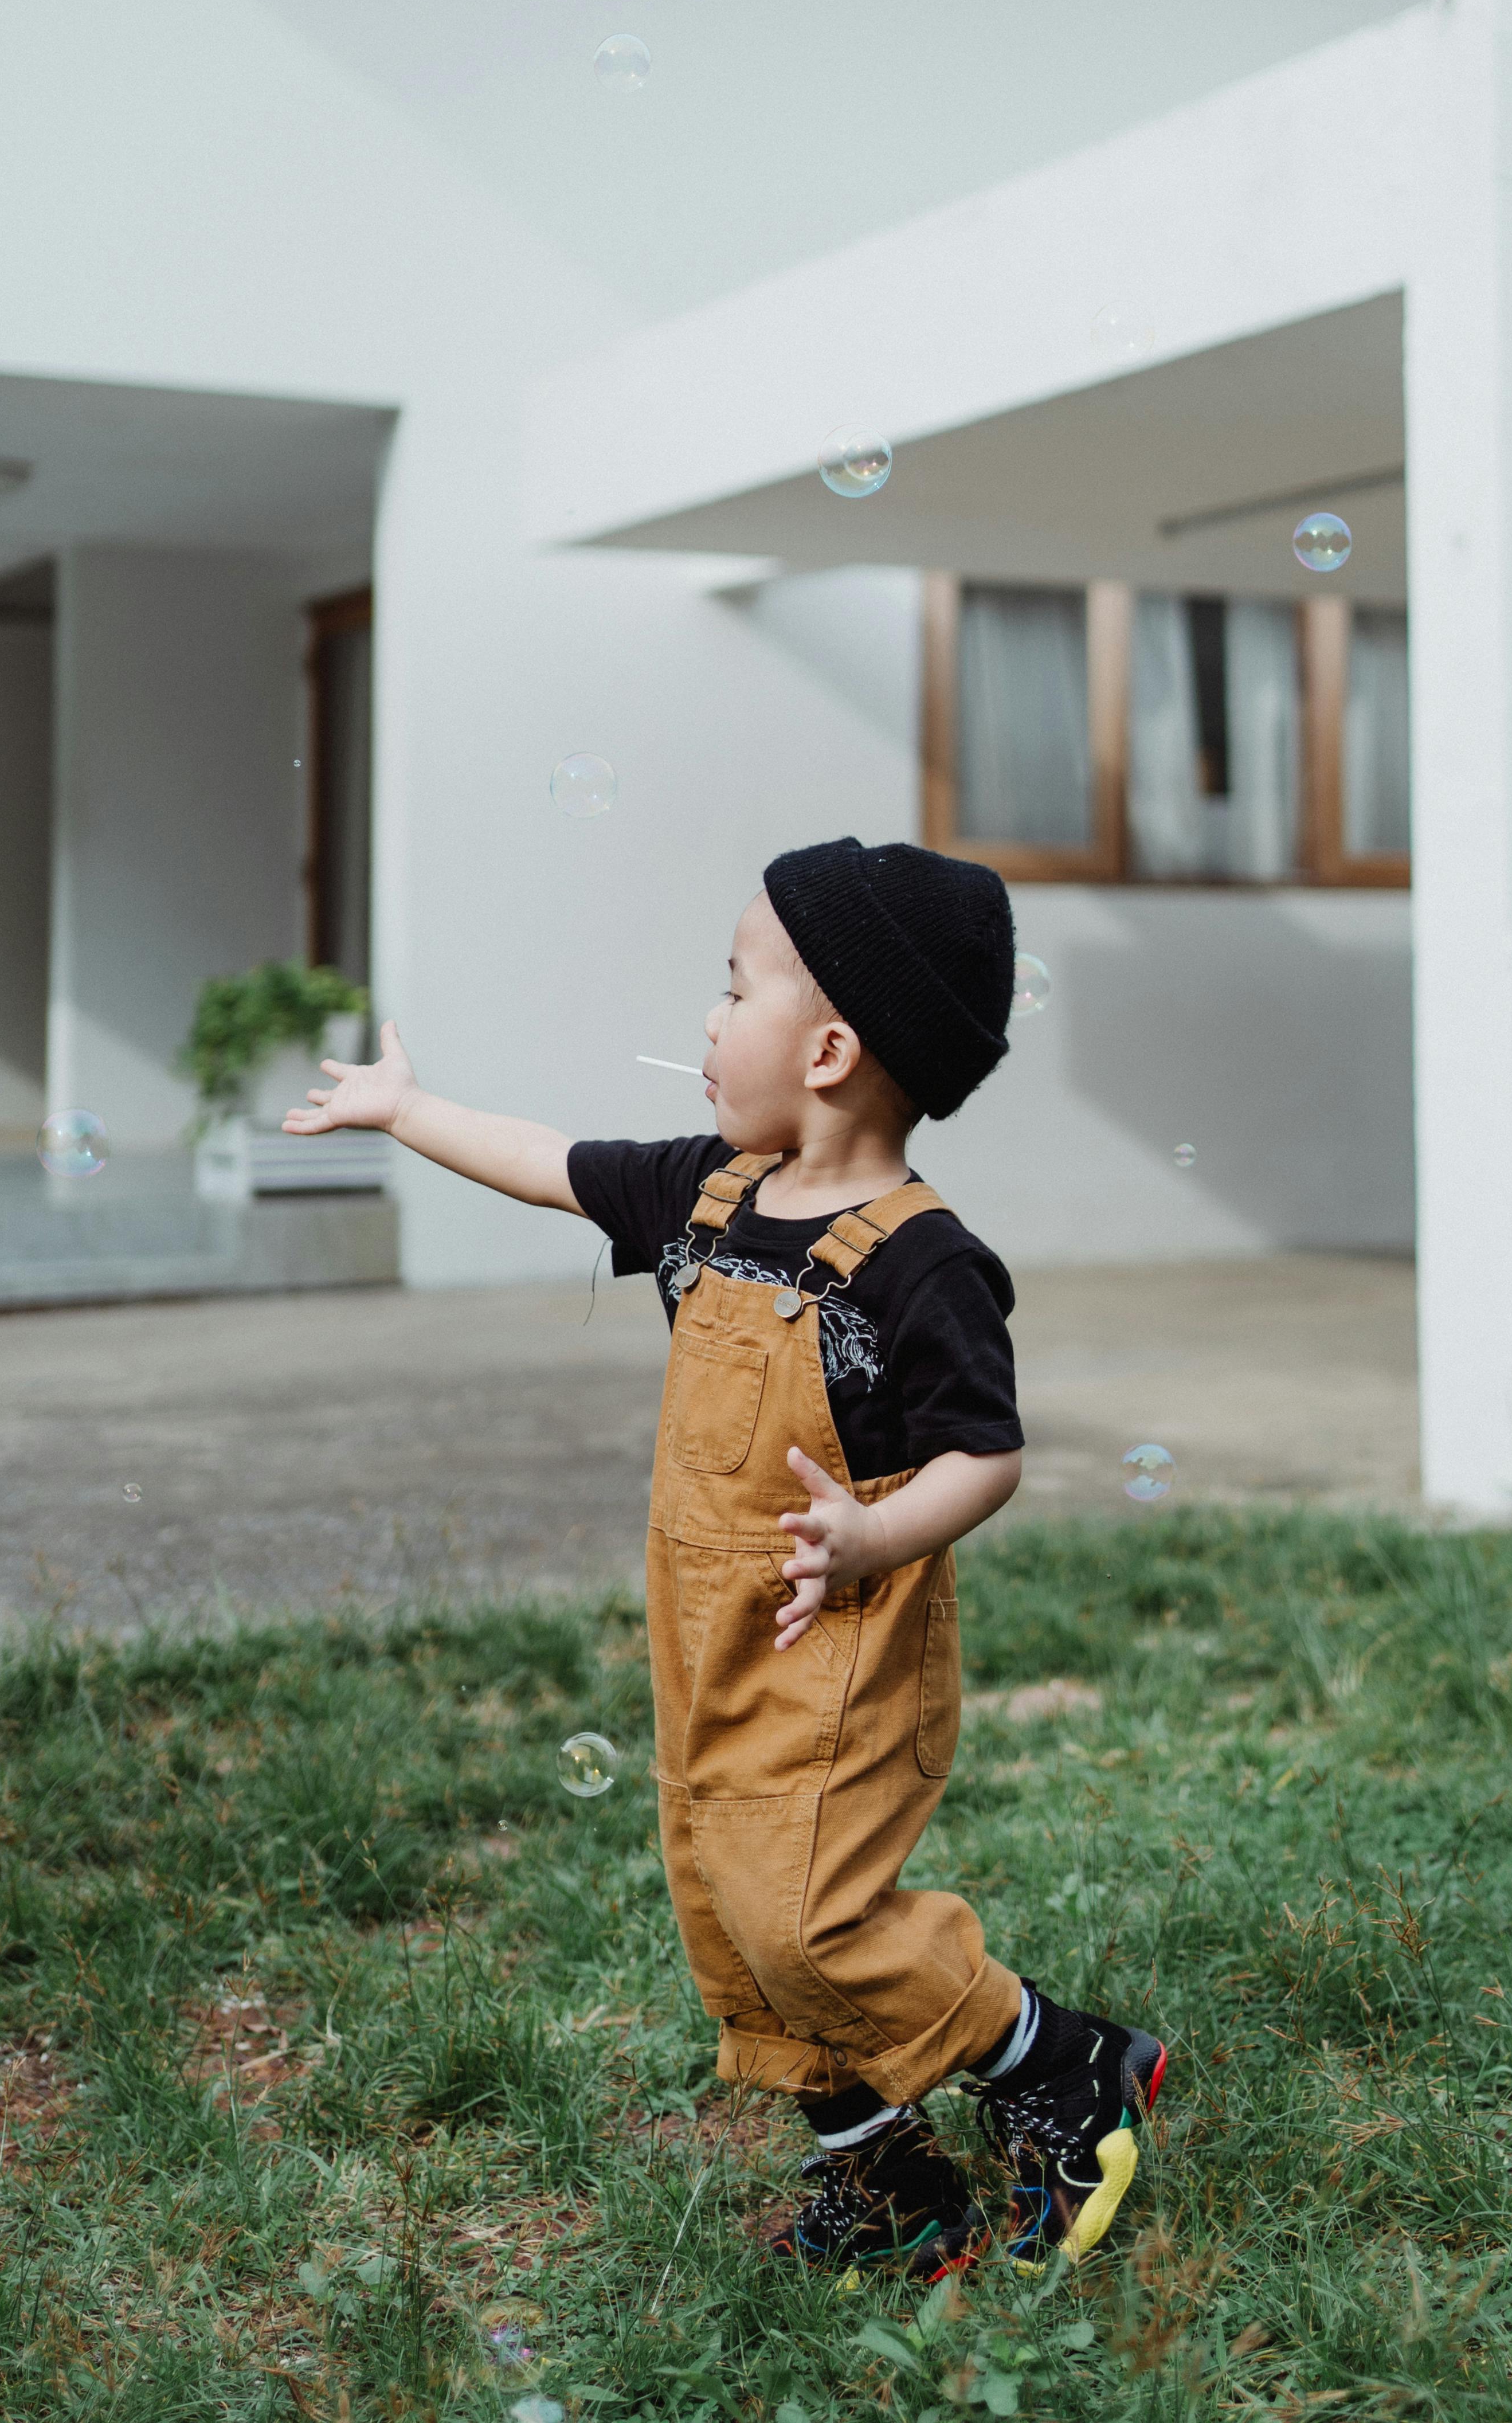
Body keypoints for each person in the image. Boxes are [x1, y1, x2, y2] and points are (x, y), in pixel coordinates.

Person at [284, 834, 1166, 2278]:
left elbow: (987, 1452)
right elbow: (552, 1164)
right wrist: (409, 1110)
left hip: (842, 1649)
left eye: (732, 986)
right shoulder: (709, 1191)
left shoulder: (922, 1260)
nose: (706, 1018)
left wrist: (878, 1529)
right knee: (727, 1918)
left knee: (802, 1915)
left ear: (828, 1049)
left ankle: (1053, 2059)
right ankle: (888, 2186)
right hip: (708, 1640)